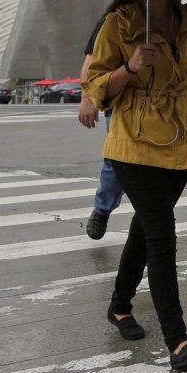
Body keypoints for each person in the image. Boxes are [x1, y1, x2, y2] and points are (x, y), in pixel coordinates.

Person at [85, 0, 187, 372]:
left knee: (145, 231)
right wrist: (129, 67)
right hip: (133, 144)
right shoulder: (120, 23)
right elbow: (95, 86)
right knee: (162, 236)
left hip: (182, 144)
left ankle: (119, 305)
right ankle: (178, 341)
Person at [80, 18, 124, 240]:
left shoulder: (170, 14)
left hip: (162, 106)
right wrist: (87, 99)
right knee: (116, 161)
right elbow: (91, 61)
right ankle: (102, 209)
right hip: (119, 104)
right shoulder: (112, 18)